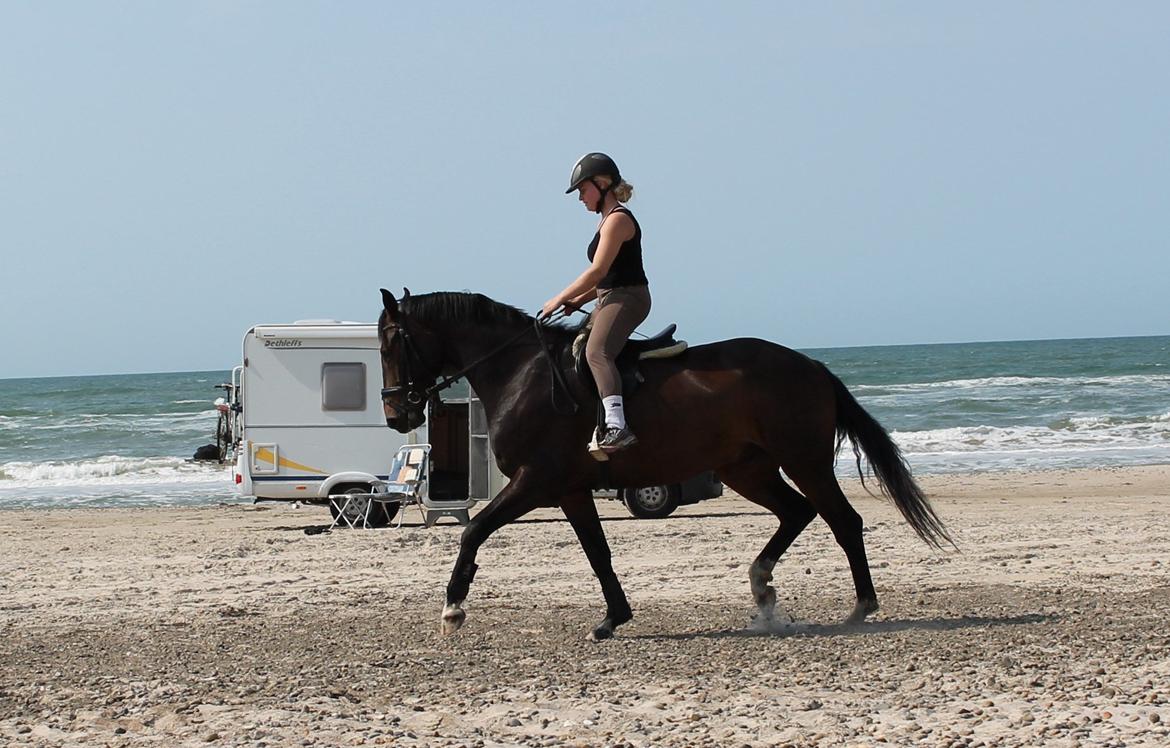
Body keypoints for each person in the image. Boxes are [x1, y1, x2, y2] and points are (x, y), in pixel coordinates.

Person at [541, 152, 651, 453]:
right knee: (577, 349)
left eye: (582, 190)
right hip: (610, 296)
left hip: (628, 298)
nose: (580, 198)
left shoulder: (618, 220)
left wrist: (559, 298)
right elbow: (608, 278)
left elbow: (598, 271)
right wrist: (578, 300)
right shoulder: (605, 221)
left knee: (596, 352)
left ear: (602, 184)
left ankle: (618, 427)